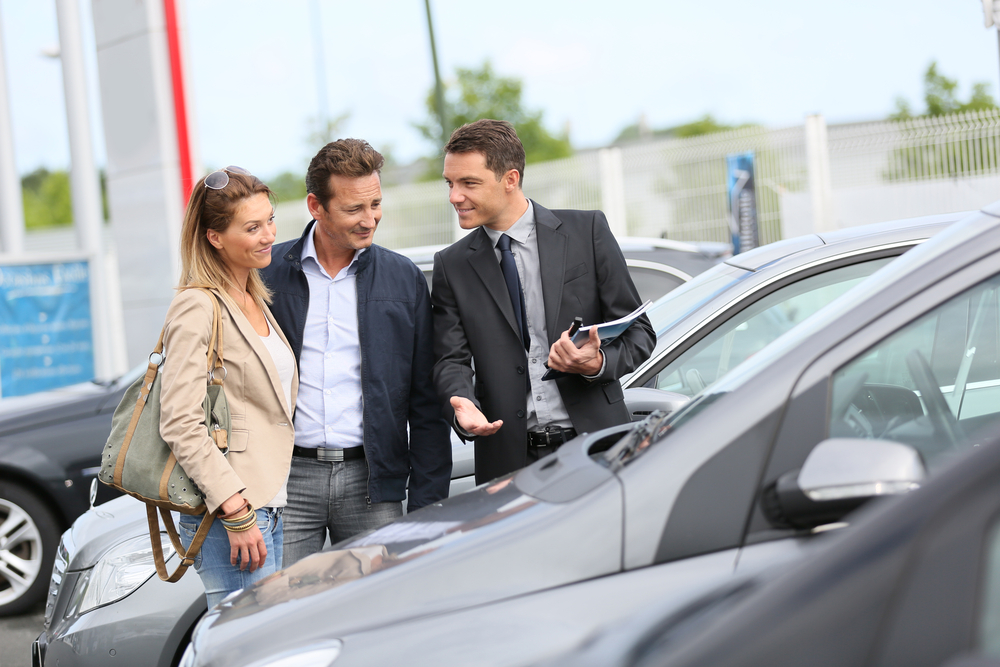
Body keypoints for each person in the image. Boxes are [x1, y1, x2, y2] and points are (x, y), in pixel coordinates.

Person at [432, 119, 656, 484]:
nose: (454, 196)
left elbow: (640, 333)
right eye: (450, 183)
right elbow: (449, 359)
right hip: (508, 462)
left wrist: (597, 363)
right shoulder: (451, 265)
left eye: (468, 183)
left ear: (510, 179)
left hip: (598, 450)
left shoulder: (587, 232)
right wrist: (460, 402)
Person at [261, 138, 451, 567]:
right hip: (286, 481)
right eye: (354, 209)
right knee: (279, 604)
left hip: (373, 483)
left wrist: (426, 506)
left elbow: (426, 401)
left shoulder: (403, 279)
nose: (370, 220)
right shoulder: (266, 274)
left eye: (376, 204)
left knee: (380, 603)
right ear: (316, 206)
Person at [161, 166, 298, 608]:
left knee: (264, 636)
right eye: (252, 228)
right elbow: (179, 422)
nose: (269, 235)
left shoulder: (251, 296)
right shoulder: (197, 305)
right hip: (232, 512)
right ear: (215, 237)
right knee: (245, 640)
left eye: (270, 221)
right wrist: (235, 509)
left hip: (265, 504)